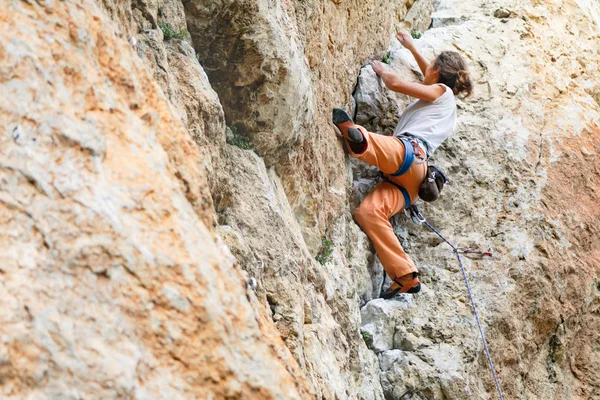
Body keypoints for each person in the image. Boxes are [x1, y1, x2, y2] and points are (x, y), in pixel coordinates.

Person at [332, 31, 472, 299]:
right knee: (369, 213)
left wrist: (384, 71)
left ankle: (360, 140)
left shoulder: (440, 92)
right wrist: (411, 47)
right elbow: (431, 74)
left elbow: (397, 83)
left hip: (408, 154)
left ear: (438, 74)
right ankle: (405, 275)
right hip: (411, 185)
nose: (425, 68)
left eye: (430, 66)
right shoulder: (446, 101)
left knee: (385, 148)